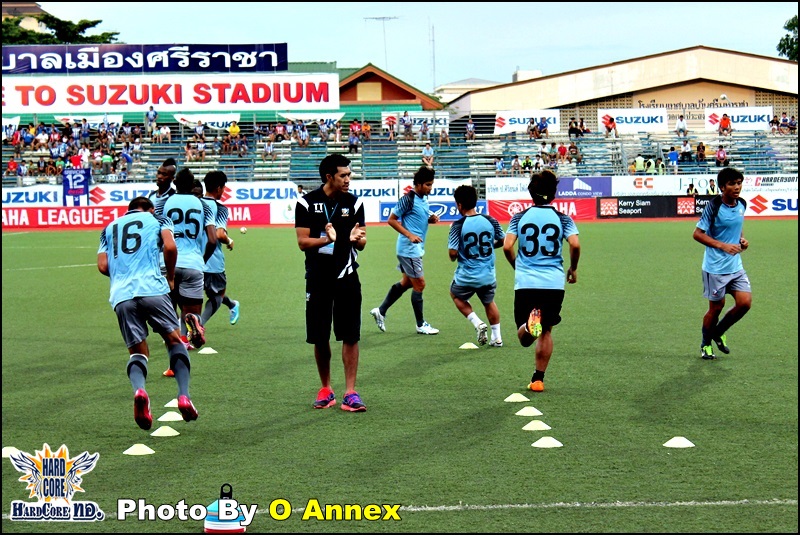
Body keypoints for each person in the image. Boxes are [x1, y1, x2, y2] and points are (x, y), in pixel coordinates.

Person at [97, 196, 198, 430]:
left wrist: (123, 275)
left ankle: (140, 391)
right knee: (174, 341)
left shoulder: (109, 228)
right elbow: (170, 247)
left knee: (137, 353)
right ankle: (184, 396)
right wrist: (170, 276)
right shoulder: (159, 219)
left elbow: (103, 266)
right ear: (150, 209)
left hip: (122, 295)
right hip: (153, 288)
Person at [294, 153, 367, 412]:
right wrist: (328, 239)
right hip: (318, 277)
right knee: (320, 335)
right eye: (343, 175)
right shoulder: (306, 203)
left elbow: (362, 241)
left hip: (347, 276)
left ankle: (350, 392)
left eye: (349, 175)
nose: (348, 179)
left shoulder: (355, 203)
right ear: (329, 177)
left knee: (351, 334)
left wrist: (357, 239)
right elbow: (302, 242)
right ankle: (326, 388)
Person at [503, 170, 580, 393]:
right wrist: (573, 268)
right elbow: (575, 244)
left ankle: (529, 326)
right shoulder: (563, 218)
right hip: (553, 283)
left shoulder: (519, 217)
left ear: (531, 193)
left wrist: (517, 265)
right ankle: (538, 379)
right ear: (554, 194)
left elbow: (507, 246)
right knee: (546, 330)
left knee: (525, 338)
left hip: (526, 282)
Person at [370, 166, 440, 335]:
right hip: (409, 249)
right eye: (428, 185)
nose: (430, 188)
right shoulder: (408, 199)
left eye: (431, 184)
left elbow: (415, 219)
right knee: (420, 284)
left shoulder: (423, 198)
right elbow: (391, 220)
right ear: (419, 184)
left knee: (407, 282)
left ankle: (381, 311)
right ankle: (420, 325)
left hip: (415, 248)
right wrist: (409, 235)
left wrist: (429, 220)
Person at [692, 167, 751, 360]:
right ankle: (705, 344)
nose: (737, 187)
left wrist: (742, 240)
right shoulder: (714, 206)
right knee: (716, 308)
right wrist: (723, 245)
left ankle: (718, 332)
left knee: (745, 303)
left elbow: (737, 226)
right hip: (715, 268)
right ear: (722, 187)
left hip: (736, 266)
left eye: (739, 183)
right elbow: (697, 234)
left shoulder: (742, 204)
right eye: (732, 184)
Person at [162, 168, 217, 354]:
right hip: (193, 263)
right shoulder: (203, 206)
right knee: (192, 310)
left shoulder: (165, 203)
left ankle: (177, 340)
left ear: (175, 183)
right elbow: (212, 240)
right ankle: (191, 324)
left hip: (169, 262)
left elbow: (157, 234)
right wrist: (202, 260)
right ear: (192, 184)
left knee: (170, 307)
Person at [448, 185, 506, 347]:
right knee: (489, 302)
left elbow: (452, 254)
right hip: (487, 274)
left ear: (459, 205)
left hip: (466, 276)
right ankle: (497, 338)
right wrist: (488, 247)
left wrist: (463, 252)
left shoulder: (458, 225)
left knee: (455, 295)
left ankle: (477, 322)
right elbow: (502, 240)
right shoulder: (490, 220)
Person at [199, 171, 241, 329]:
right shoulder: (220, 208)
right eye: (223, 188)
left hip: (192, 258)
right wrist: (229, 240)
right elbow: (219, 234)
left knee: (190, 295)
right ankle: (198, 327)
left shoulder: (196, 204)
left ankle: (231, 305)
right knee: (216, 295)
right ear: (218, 188)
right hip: (212, 260)